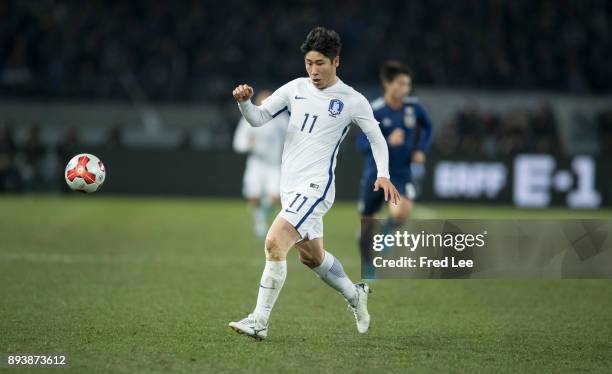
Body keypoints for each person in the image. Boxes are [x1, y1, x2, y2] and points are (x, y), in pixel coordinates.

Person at [228, 26, 400, 340]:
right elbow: (258, 118)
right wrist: (244, 103)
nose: (313, 70)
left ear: (337, 62)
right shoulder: (295, 88)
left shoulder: (352, 100)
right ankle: (355, 294)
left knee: (274, 242)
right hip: (289, 187)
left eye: (320, 63)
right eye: (309, 62)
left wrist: (383, 174)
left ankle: (259, 320)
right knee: (311, 257)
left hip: (316, 187)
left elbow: (377, 138)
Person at [357, 61, 433, 278]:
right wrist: (387, 141)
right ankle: (368, 265)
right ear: (387, 84)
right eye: (400, 83)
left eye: (407, 84)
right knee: (367, 225)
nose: (405, 89)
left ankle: (387, 229)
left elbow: (429, 127)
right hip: (376, 175)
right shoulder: (375, 110)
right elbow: (361, 145)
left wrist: (421, 149)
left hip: (401, 173)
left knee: (400, 212)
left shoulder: (414, 108)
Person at [233, 90, 287, 238]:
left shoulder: (281, 120)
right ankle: (260, 223)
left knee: (275, 197)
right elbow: (238, 143)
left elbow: (290, 139)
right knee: (254, 196)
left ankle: (260, 218)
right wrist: (249, 145)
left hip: (275, 165)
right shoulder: (248, 120)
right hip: (256, 164)